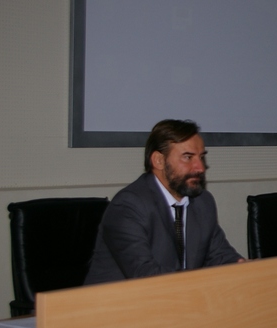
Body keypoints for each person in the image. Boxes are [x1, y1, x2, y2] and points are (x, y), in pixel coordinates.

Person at [84, 119, 243, 284]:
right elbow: (145, 275)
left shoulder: (203, 202)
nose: (200, 167)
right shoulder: (128, 206)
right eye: (188, 157)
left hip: (177, 300)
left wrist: (245, 268)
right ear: (159, 161)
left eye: (201, 157)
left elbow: (220, 256)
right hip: (118, 305)